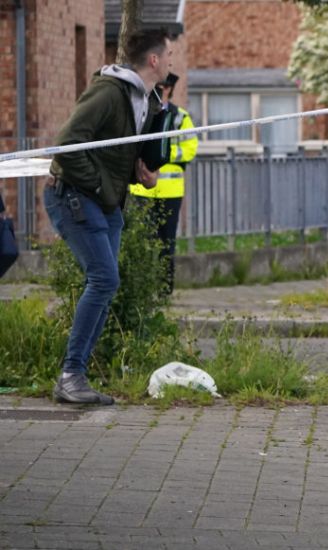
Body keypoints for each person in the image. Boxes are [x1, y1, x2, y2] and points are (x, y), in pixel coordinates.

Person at [45, 29, 173, 405]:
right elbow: (67, 145)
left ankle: (75, 375)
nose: (171, 63)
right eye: (168, 56)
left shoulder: (143, 100)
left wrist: (140, 173)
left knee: (106, 283)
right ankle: (71, 375)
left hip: (107, 203)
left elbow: (113, 154)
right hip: (73, 196)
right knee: (103, 278)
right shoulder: (108, 91)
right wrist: (102, 187)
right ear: (153, 60)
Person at [129, 72, 198, 294]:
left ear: (169, 89)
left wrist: (164, 153)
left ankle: (164, 289)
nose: (160, 90)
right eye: (156, 86)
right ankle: (143, 288)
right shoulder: (142, 111)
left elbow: (190, 149)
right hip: (142, 188)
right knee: (141, 241)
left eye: (163, 87)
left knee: (166, 241)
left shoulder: (180, 117)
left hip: (170, 191)